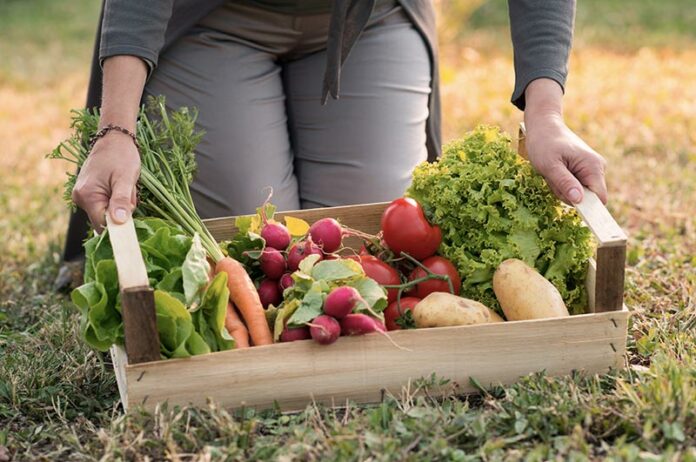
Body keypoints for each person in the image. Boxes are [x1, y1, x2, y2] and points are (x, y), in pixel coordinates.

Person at [58, 0, 607, 286]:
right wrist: (116, 129)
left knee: (367, 244)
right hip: (213, 21)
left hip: (368, 22)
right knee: (253, 240)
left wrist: (545, 113)